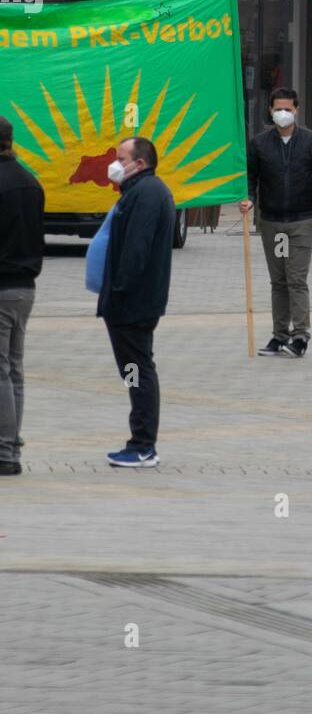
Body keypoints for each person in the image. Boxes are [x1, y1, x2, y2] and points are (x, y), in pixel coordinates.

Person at [98, 137, 175, 468]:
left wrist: (118, 290)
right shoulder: (142, 191)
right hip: (134, 301)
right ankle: (141, 439)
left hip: (133, 303)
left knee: (137, 369)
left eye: (120, 157)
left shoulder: (145, 195)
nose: (114, 163)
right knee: (135, 370)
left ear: (139, 163)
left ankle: (143, 444)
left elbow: (136, 249)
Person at [241, 87, 312, 359]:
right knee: (278, 280)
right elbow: (251, 177)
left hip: (301, 221)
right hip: (271, 222)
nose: (283, 114)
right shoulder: (259, 143)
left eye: (288, 109)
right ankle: (279, 335)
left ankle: (301, 335)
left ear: (296, 110)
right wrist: (248, 199)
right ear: (270, 111)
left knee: (296, 279)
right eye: (278, 109)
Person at [0, 116, 44, 476]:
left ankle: (5, 453)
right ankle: (11, 446)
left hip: (0, 288)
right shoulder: (29, 181)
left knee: (1, 371)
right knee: (14, 369)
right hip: (25, 287)